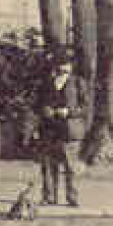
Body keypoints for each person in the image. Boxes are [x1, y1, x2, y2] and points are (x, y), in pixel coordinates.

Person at [37, 54, 82, 207]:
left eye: (66, 65)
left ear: (71, 66)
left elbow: (87, 107)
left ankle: (72, 197)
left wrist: (70, 111)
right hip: (49, 129)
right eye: (60, 65)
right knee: (48, 165)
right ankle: (49, 196)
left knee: (71, 166)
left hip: (68, 130)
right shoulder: (47, 83)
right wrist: (44, 110)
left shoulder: (77, 83)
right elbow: (38, 103)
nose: (63, 68)